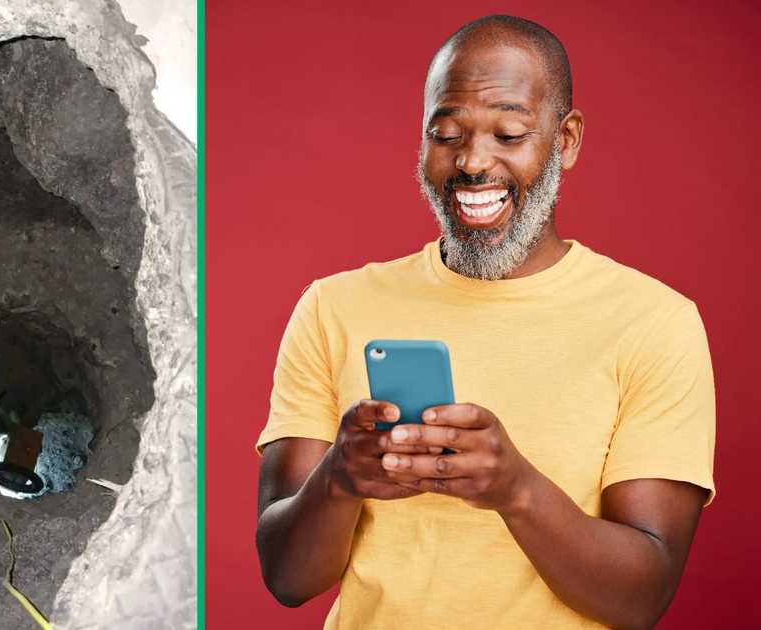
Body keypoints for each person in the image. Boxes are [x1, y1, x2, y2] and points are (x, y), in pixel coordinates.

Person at [254, 14, 715, 630]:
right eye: (446, 134)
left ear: (566, 139)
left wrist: (516, 489)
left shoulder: (656, 323)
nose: (472, 161)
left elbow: (641, 600)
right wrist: (339, 479)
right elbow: (287, 579)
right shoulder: (332, 307)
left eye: (509, 133)